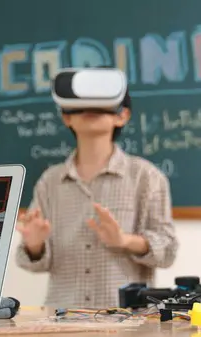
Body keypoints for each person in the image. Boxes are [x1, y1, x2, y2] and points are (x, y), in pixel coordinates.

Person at [16, 68, 179, 308]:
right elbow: (32, 261)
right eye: (79, 106)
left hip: (129, 324)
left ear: (122, 115)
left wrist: (124, 240)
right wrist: (34, 244)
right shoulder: (50, 182)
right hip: (61, 321)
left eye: (100, 105)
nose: (89, 110)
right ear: (66, 116)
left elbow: (167, 250)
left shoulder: (147, 177)